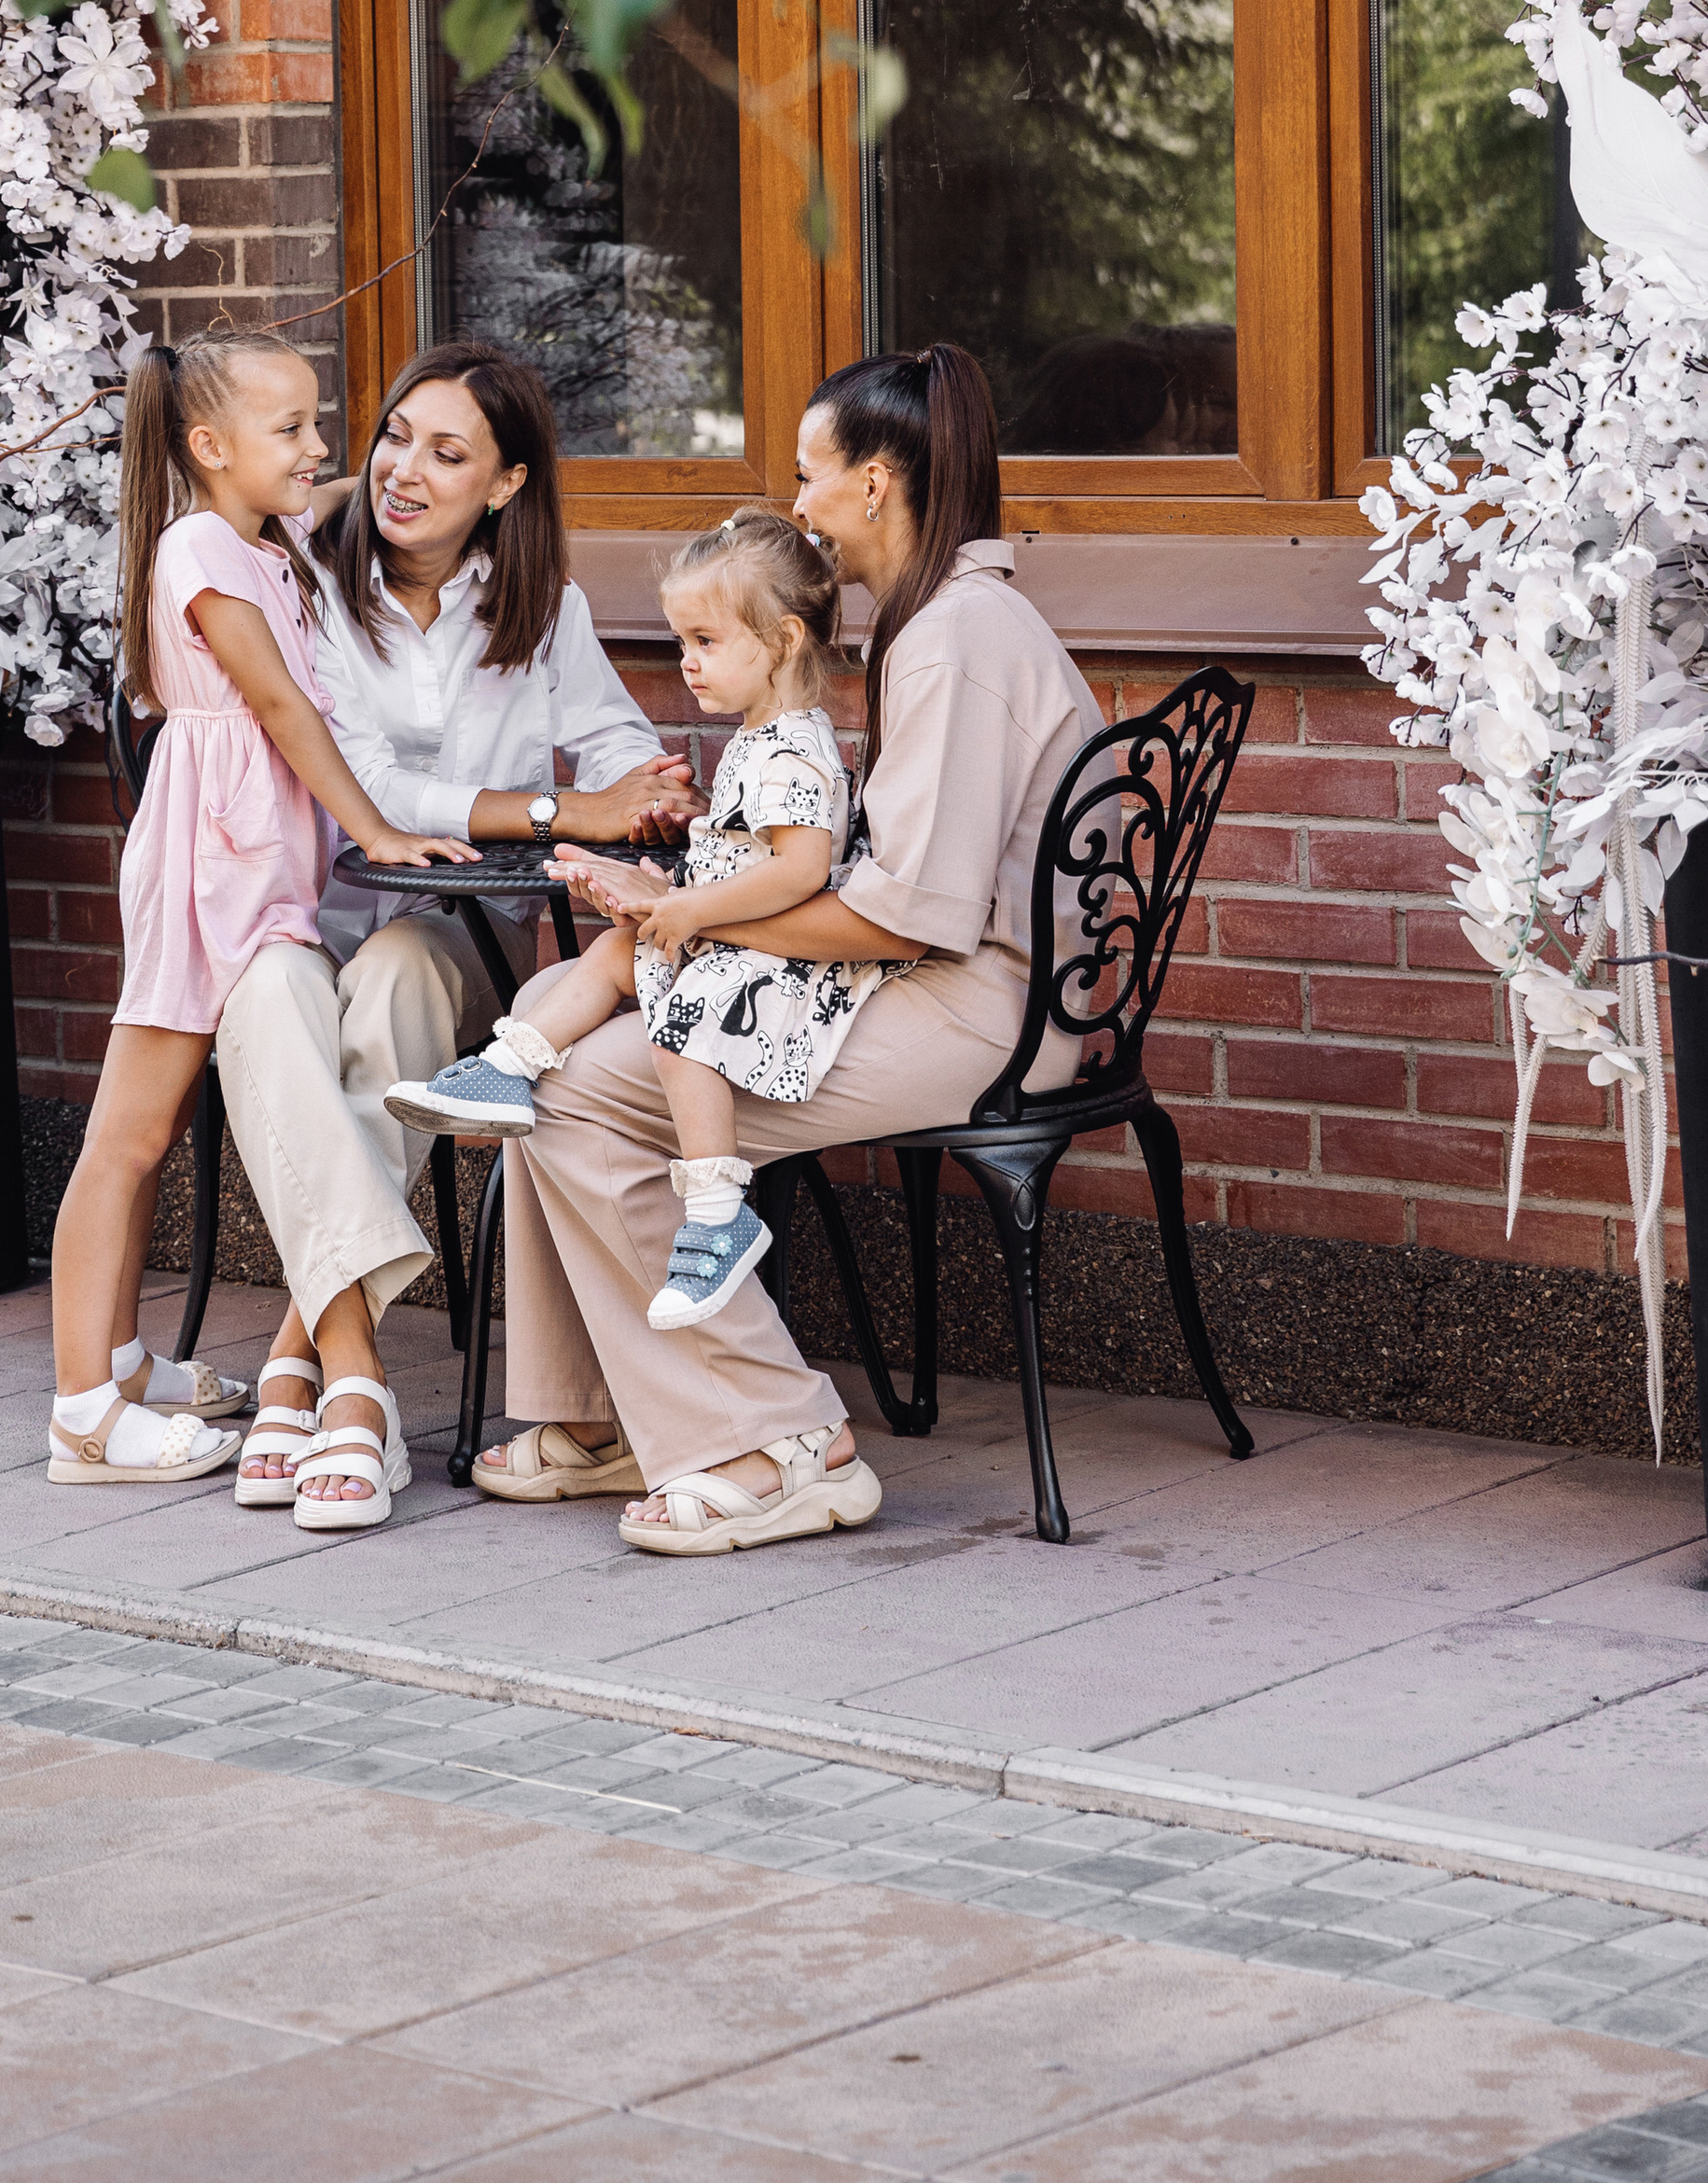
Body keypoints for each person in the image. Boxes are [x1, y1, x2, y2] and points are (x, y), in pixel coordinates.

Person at [474, 343, 1104, 1552]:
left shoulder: (954, 637)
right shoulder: (949, 616)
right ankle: (613, 1417)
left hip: (982, 1014)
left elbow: (908, 912)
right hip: (983, 991)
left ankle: (777, 1442)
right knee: (589, 1061)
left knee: (578, 1093)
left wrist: (688, 914)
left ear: (876, 482)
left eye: (811, 476)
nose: (797, 505)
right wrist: (686, 906)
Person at [215, 338, 694, 1498]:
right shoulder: (306, 590)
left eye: (446, 452)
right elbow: (365, 786)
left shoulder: (540, 605)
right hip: (298, 920)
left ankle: (301, 1363)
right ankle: (348, 1370)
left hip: (464, 942)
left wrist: (651, 789)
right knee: (285, 990)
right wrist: (560, 807)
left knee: (401, 973)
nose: (402, 471)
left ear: (508, 482)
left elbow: (618, 738)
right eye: (392, 437)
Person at [46, 331, 466, 1532]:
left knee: (155, 1123)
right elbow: (276, 707)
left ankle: (126, 1363)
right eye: (291, 431)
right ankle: (85, 1405)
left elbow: (335, 507)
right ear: (209, 447)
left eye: (321, 423)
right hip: (208, 872)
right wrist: (376, 830)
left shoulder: (266, 545)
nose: (320, 448)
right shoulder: (198, 545)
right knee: (128, 1137)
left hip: (251, 866)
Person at [388, 507, 893, 1337]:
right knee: (620, 952)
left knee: (676, 1015)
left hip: (786, 969)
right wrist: (666, 887)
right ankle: (510, 1067)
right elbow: (746, 859)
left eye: (705, 641)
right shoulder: (760, 736)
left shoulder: (791, 753)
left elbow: (800, 871)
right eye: (681, 642)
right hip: (734, 932)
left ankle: (717, 1205)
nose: (686, 663)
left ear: (786, 640)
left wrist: (689, 907)